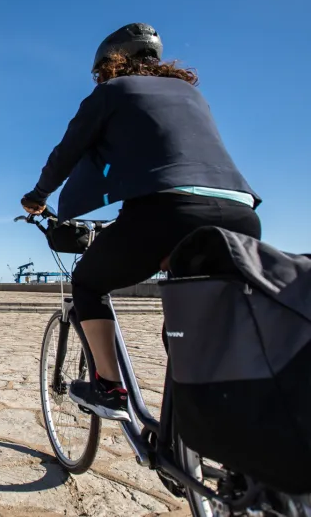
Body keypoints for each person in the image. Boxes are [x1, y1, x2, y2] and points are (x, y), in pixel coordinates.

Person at [21, 23, 261, 421]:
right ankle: (196, 424)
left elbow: (66, 153)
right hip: (242, 213)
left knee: (88, 283)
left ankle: (109, 389)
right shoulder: (192, 95)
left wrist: (38, 197)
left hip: (169, 210)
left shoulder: (112, 92)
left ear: (110, 65)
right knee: (191, 314)